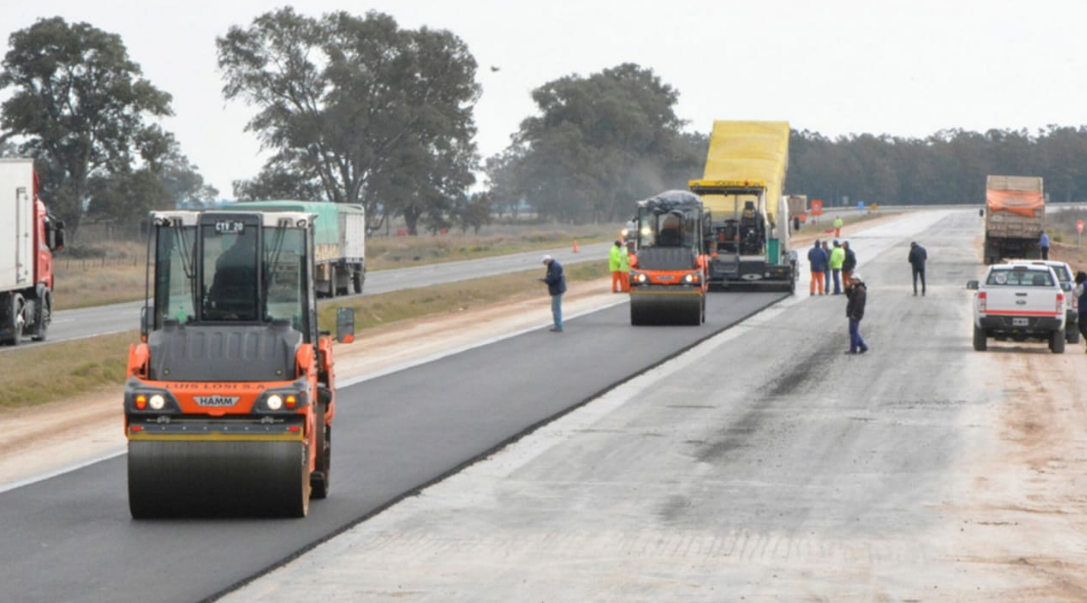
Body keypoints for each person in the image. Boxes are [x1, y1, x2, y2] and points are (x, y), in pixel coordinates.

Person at [539, 255, 566, 332]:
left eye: (544, 262)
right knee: (556, 308)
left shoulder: (554, 267)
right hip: (557, 288)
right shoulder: (553, 266)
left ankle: (558, 326)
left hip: (557, 289)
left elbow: (553, 279)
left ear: (547, 260)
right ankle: (558, 325)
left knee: (555, 308)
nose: (544, 264)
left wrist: (545, 280)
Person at [844, 272, 869, 354]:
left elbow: (859, 304)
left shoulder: (860, 290)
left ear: (857, 280)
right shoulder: (857, 288)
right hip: (854, 313)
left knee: (853, 332)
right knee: (853, 331)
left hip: (855, 314)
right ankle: (862, 346)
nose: (851, 281)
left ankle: (854, 348)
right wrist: (848, 288)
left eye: (852, 280)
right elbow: (850, 297)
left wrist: (854, 314)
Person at [1076, 271, 1087, 351]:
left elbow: (1076, 294)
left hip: (1084, 310)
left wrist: (1076, 287)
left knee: (1082, 326)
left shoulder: (1082, 285)